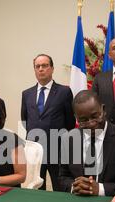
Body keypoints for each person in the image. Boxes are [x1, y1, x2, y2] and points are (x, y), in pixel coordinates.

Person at [59, 90, 115, 196]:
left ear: (103, 110)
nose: (91, 123)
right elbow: (62, 177)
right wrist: (75, 186)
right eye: (83, 120)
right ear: (76, 118)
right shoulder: (68, 139)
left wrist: (101, 189)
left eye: (95, 116)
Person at [21, 54, 75, 191]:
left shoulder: (64, 92)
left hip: (57, 150)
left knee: (60, 188)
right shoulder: (26, 93)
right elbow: (25, 120)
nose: (41, 69)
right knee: (37, 189)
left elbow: (70, 122)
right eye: (37, 66)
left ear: (52, 68)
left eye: (44, 65)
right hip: (35, 152)